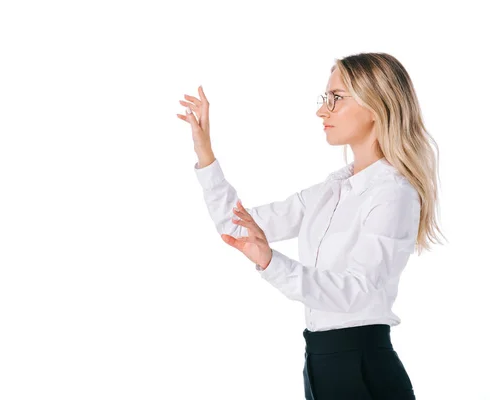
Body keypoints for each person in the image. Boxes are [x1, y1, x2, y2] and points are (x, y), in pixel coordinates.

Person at [177, 52, 446, 399]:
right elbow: (239, 228)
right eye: (325, 99)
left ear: (376, 104)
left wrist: (271, 262)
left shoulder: (394, 194)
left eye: (336, 98)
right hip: (320, 364)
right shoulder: (332, 190)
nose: (323, 111)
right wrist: (205, 153)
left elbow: (356, 291)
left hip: (361, 369)